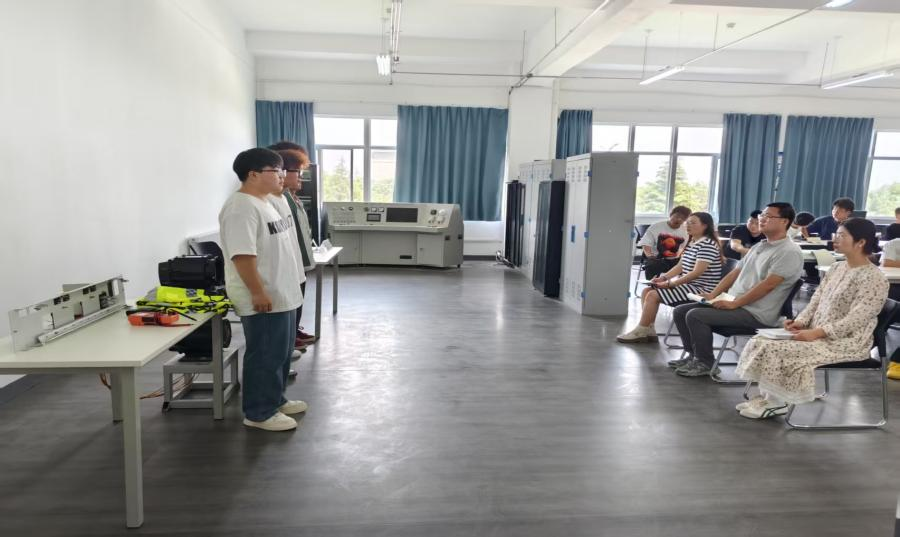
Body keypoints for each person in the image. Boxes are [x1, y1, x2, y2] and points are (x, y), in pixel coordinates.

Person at [733, 218, 888, 419]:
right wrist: (801, 321)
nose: (835, 239)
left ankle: (778, 403)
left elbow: (857, 319)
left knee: (779, 349)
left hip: (846, 341)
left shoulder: (874, 278)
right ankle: (769, 397)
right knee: (761, 341)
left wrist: (818, 332)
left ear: (861, 242)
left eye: (842, 236)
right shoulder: (837, 268)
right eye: (836, 234)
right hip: (817, 331)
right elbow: (816, 300)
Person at [220, 148, 307, 432]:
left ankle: (275, 400)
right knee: (265, 354)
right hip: (263, 294)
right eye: (276, 170)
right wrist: (257, 292)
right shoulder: (241, 208)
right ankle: (259, 412)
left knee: (280, 353)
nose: (282, 175)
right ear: (253, 174)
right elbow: (243, 256)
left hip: (281, 292)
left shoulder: (265, 202)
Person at [669, 202, 804, 377]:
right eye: (762, 215)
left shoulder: (789, 251)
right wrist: (713, 294)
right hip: (736, 303)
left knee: (696, 315)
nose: (762, 219)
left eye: (768, 216)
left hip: (756, 313)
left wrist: (736, 303)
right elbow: (735, 273)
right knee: (680, 311)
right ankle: (693, 356)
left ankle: (705, 363)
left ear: (784, 221)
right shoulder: (760, 246)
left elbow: (768, 285)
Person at [617, 212, 724, 343]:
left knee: (653, 295)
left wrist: (672, 283)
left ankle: (640, 331)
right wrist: (664, 278)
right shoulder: (693, 242)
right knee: (647, 291)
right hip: (690, 286)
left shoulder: (708, 245)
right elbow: (680, 266)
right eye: (687, 222)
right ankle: (649, 329)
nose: (688, 225)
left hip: (702, 290)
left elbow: (697, 272)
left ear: (705, 226)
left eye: (693, 223)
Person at [268, 141, 318, 348]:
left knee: (297, 298)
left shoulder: (288, 197)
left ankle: (292, 334)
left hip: (297, 261)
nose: (301, 177)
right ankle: (288, 339)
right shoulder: (273, 200)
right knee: (288, 304)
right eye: (297, 172)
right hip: (285, 265)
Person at [638, 206, 691, 279]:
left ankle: (680, 284)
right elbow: (646, 243)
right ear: (671, 215)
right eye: (677, 216)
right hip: (656, 257)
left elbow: (684, 248)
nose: (679, 219)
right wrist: (649, 255)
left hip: (675, 259)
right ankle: (653, 284)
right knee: (652, 265)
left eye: (683, 218)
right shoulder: (656, 226)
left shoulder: (685, 230)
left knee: (689, 265)